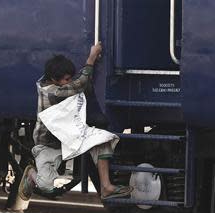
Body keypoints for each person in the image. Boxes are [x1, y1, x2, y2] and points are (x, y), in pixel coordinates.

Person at [19, 42, 133, 202]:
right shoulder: (52, 92)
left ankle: (106, 187)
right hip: (48, 146)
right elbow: (79, 84)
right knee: (45, 186)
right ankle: (32, 175)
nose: (70, 81)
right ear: (54, 79)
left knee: (104, 140)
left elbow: (75, 82)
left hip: (68, 138)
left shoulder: (56, 84)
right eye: (67, 79)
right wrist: (92, 58)